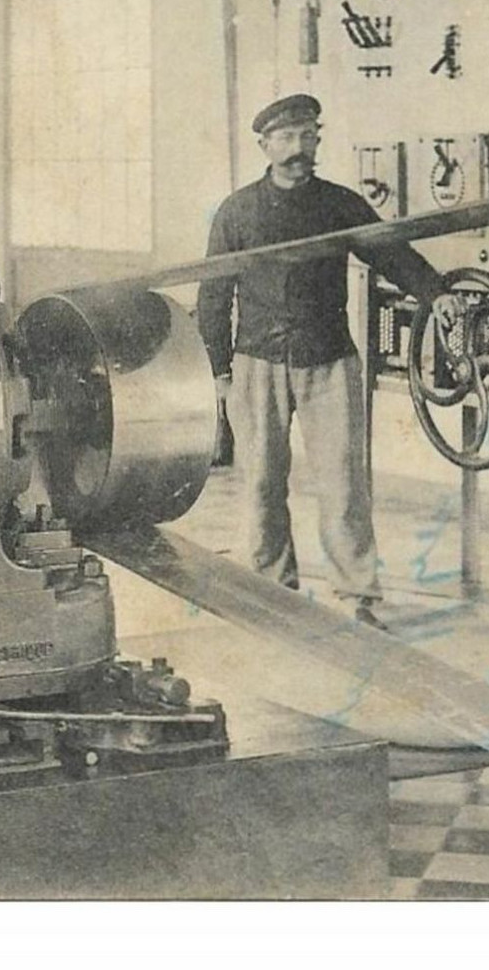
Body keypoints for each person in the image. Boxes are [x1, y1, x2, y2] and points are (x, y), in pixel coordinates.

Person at [196, 93, 459, 630]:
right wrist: (219, 371)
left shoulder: (340, 204)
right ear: (265, 145)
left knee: (342, 485)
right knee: (262, 483)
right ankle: (273, 589)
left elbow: (389, 251)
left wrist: (435, 291)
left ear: (318, 139)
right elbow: (213, 295)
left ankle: (357, 596)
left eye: (307, 136)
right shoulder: (238, 211)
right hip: (256, 363)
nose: (298, 148)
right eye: (286, 138)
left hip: (329, 359)